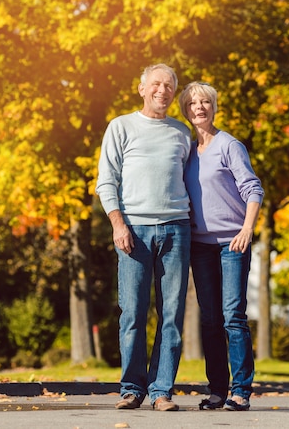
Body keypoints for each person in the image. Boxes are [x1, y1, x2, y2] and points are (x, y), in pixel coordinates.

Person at [96, 63, 191, 412]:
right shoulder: (121, 127)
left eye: (169, 85)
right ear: (141, 88)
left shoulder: (182, 133)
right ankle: (131, 388)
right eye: (156, 84)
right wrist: (118, 224)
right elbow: (106, 181)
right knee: (133, 312)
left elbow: (191, 183)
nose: (162, 90)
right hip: (134, 230)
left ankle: (161, 389)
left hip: (177, 230)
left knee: (172, 312)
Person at [179, 81, 264, 412]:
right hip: (200, 246)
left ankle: (241, 390)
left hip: (232, 243)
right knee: (210, 318)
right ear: (186, 111)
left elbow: (253, 189)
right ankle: (217, 390)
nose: (199, 107)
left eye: (205, 102)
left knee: (232, 316)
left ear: (214, 107)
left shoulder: (230, 145)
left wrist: (247, 228)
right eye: (192, 103)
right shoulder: (187, 151)